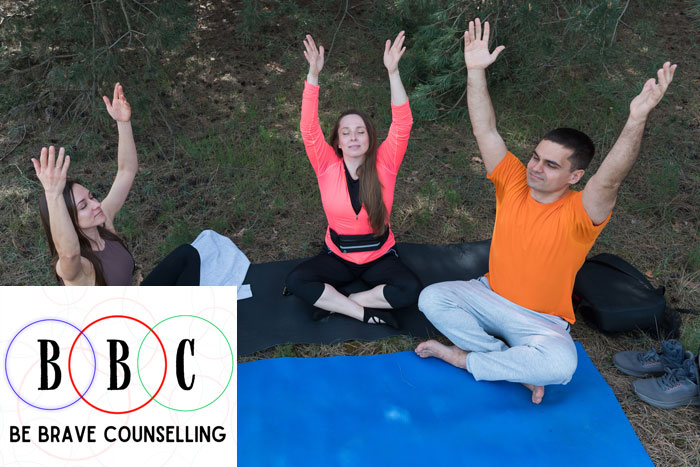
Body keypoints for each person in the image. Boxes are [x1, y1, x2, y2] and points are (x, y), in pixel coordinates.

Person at [415, 18, 677, 403]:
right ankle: (503, 362)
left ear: (575, 176)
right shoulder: (513, 181)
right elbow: (485, 130)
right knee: (432, 299)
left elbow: (610, 179)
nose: (536, 167)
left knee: (561, 368)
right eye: (536, 157)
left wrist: (636, 119)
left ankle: (464, 358)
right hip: (488, 295)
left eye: (551, 165)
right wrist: (475, 71)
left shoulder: (582, 212)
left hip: (541, 322)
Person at [285, 32, 421, 327]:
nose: (354, 137)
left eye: (360, 131)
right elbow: (308, 128)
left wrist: (393, 72)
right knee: (296, 280)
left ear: (370, 138)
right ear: (337, 141)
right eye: (346, 133)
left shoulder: (386, 163)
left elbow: (403, 123)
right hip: (338, 257)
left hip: (380, 257)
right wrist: (313, 75)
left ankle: (341, 302)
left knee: (410, 290)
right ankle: (365, 313)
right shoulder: (325, 165)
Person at [34, 83, 200, 286]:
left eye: (91, 197)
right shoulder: (75, 268)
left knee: (186, 255)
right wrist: (53, 194)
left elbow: (126, 171)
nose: (96, 204)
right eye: (83, 206)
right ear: (67, 218)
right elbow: (69, 253)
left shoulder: (103, 221)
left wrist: (123, 123)